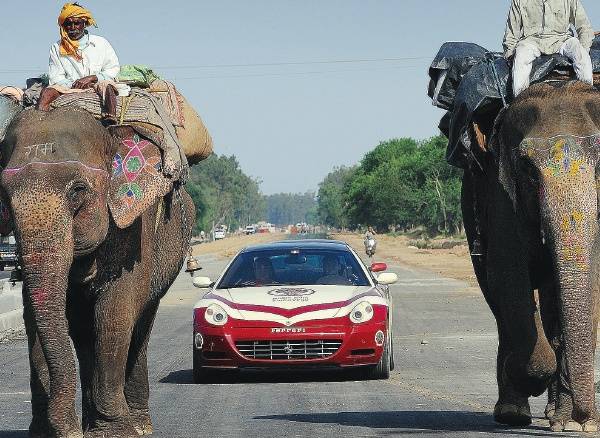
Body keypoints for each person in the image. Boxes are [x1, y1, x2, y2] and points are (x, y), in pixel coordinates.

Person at [38, 3, 125, 117]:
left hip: (97, 85)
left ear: (84, 23)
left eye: (77, 23)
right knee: (47, 93)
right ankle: (40, 119)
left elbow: (113, 69)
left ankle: (110, 119)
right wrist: (76, 84)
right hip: (69, 88)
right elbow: (56, 77)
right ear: (64, 26)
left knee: (107, 86)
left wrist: (92, 78)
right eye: (68, 24)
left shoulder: (101, 43)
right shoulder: (57, 47)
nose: (72, 28)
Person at [503, 0, 595, 97]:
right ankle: (520, 100)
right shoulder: (519, 1)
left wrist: (584, 48)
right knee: (521, 57)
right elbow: (512, 31)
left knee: (581, 54)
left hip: (562, 39)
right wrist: (510, 53)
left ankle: (587, 94)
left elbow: (584, 27)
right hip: (532, 40)